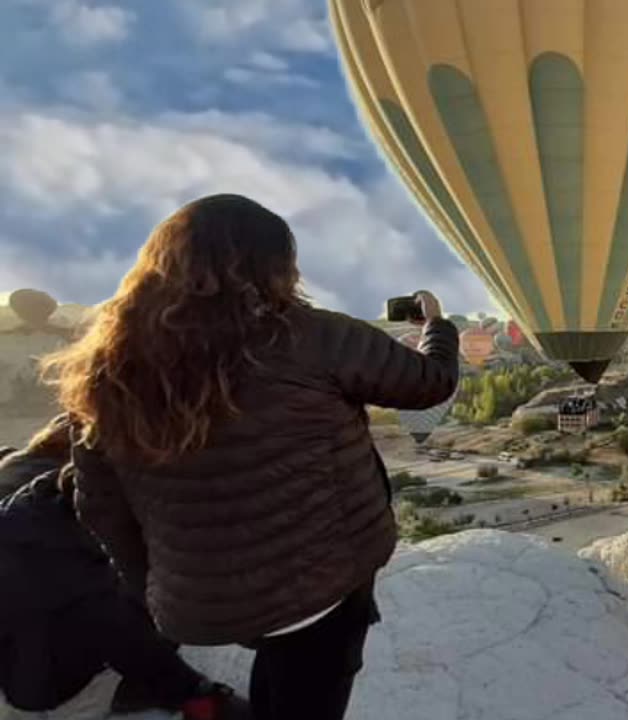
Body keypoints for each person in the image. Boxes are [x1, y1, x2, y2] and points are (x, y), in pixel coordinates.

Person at [42, 193, 460, 720]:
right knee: (311, 687)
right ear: (278, 265)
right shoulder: (312, 335)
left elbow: (98, 506)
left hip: (204, 602)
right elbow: (430, 384)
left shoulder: (107, 368)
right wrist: (439, 328)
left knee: (282, 662)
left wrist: (160, 581)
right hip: (323, 586)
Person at [0, 414, 250, 719]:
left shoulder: (32, 496)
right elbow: (145, 651)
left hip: (21, 654)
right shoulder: (87, 589)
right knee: (170, 595)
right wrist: (205, 695)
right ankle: (124, 695)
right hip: (51, 690)